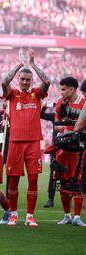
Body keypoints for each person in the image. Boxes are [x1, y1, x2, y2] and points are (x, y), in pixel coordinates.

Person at [2, 48, 50, 227]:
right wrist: (19, 65)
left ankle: (30, 216)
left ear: (31, 81)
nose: (25, 82)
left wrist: (33, 64)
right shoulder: (12, 94)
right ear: (18, 80)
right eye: (22, 79)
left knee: (33, 179)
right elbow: (4, 81)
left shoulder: (37, 94)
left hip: (32, 143)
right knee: (13, 180)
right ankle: (13, 214)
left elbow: (47, 81)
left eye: (28, 80)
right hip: (15, 142)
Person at [54, 77, 85, 226]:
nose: (62, 92)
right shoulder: (60, 103)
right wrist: (61, 128)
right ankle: (67, 215)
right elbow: (56, 123)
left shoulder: (83, 103)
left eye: (64, 89)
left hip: (78, 148)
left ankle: (77, 216)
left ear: (72, 89)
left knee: (77, 181)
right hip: (63, 148)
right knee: (63, 181)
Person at [41, 103, 58, 208]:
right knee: (53, 176)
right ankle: (50, 199)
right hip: (56, 149)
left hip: (70, 148)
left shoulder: (73, 114)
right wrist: (44, 107)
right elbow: (41, 115)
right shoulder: (55, 116)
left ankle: (77, 198)